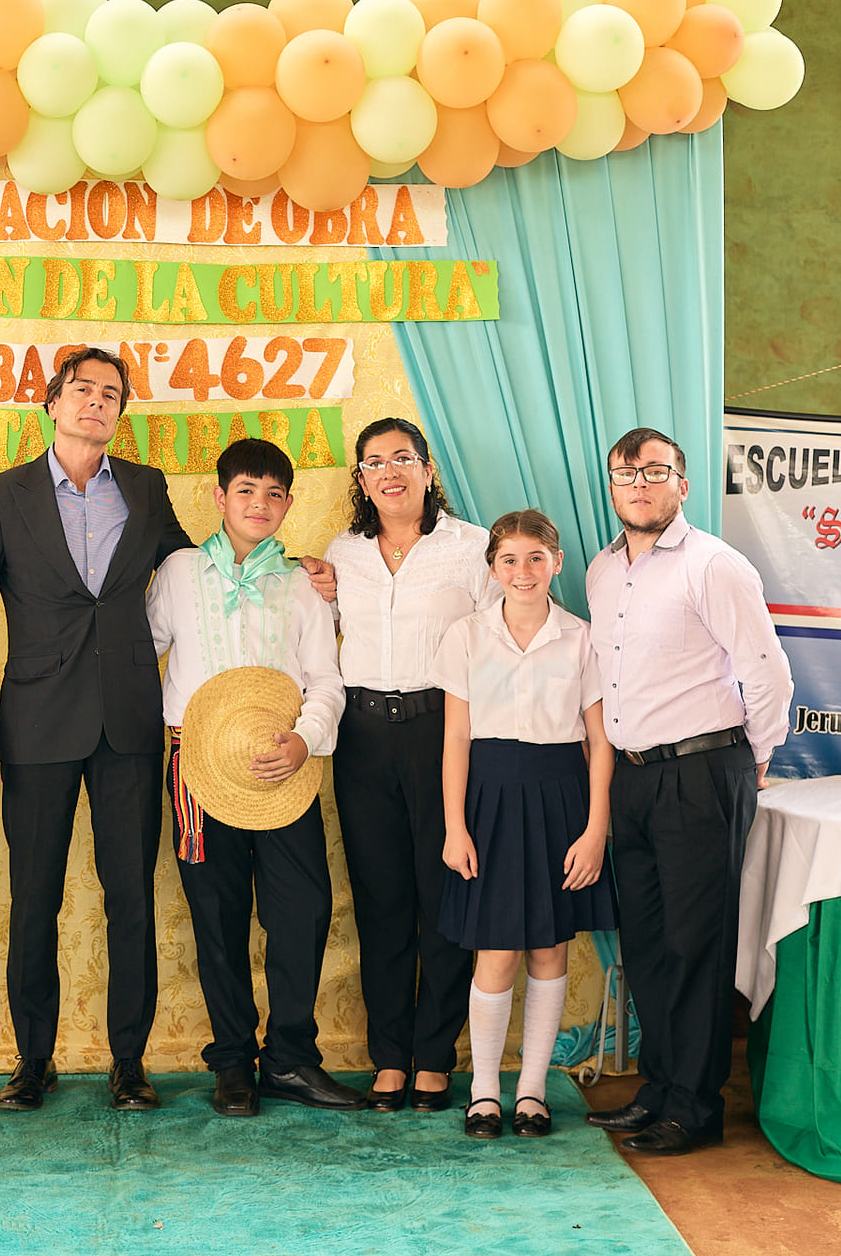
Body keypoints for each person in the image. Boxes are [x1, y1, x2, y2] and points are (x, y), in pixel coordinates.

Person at [0, 347, 193, 1113]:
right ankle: (32, 1059)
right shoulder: (0, 495)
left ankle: (130, 1062)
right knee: (33, 896)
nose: (97, 403)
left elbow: (193, 574)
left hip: (128, 724)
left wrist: (281, 569)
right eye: (83, 389)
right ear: (51, 402)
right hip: (36, 723)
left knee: (131, 897)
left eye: (112, 395)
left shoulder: (146, 489)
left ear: (121, 413)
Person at [585, 427, 792, 1156]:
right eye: (625, 472)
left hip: (705, 771)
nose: (638, 483)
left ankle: (696, 1105)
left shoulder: (715, 565)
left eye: (654, 471)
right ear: (611, 485)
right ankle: (660, 1086)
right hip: (634, 775)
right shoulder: (601, 569)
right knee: (645, 942)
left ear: (682, 483)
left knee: (696, 943)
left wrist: (753, 761)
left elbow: (768, 673)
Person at [147, 438, 361, 1117]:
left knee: (301, 911)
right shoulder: (177, 572)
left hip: (284, 768)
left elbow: (326, 678)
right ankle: (233, 1062)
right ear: (218, 496)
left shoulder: (302, 582)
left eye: (274, 493)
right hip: (196, 770)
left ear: (289, 503)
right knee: (216, 915)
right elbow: (138, 652)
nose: (260, 504)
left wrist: (305, 739)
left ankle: (293, 1058)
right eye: (246, 490)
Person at [317, 416, 492, 1112]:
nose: (388, 472)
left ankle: (435, 1055)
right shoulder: (343, 551)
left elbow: (499, 646)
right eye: (373, 462)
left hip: (443, 734)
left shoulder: (472, 547)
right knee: (381, 900)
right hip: (362, 737)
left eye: (402, 458)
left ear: (427, 468)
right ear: (360, 478)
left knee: (444, 898)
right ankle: (390, 1056)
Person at [433, 509, 617, 1141]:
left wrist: (595, 829)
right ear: (492, 568)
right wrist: (455, 826)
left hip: (560, 798)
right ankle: (485, 1091)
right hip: (488, 797)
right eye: (508, 559)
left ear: (556, 562)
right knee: (497, 951)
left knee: (548, 946)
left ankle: (532, 1092)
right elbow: (455, 737)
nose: (522, 571)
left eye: (535, 558)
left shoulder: (582, 637)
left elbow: (598, 740)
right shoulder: (465, 635)